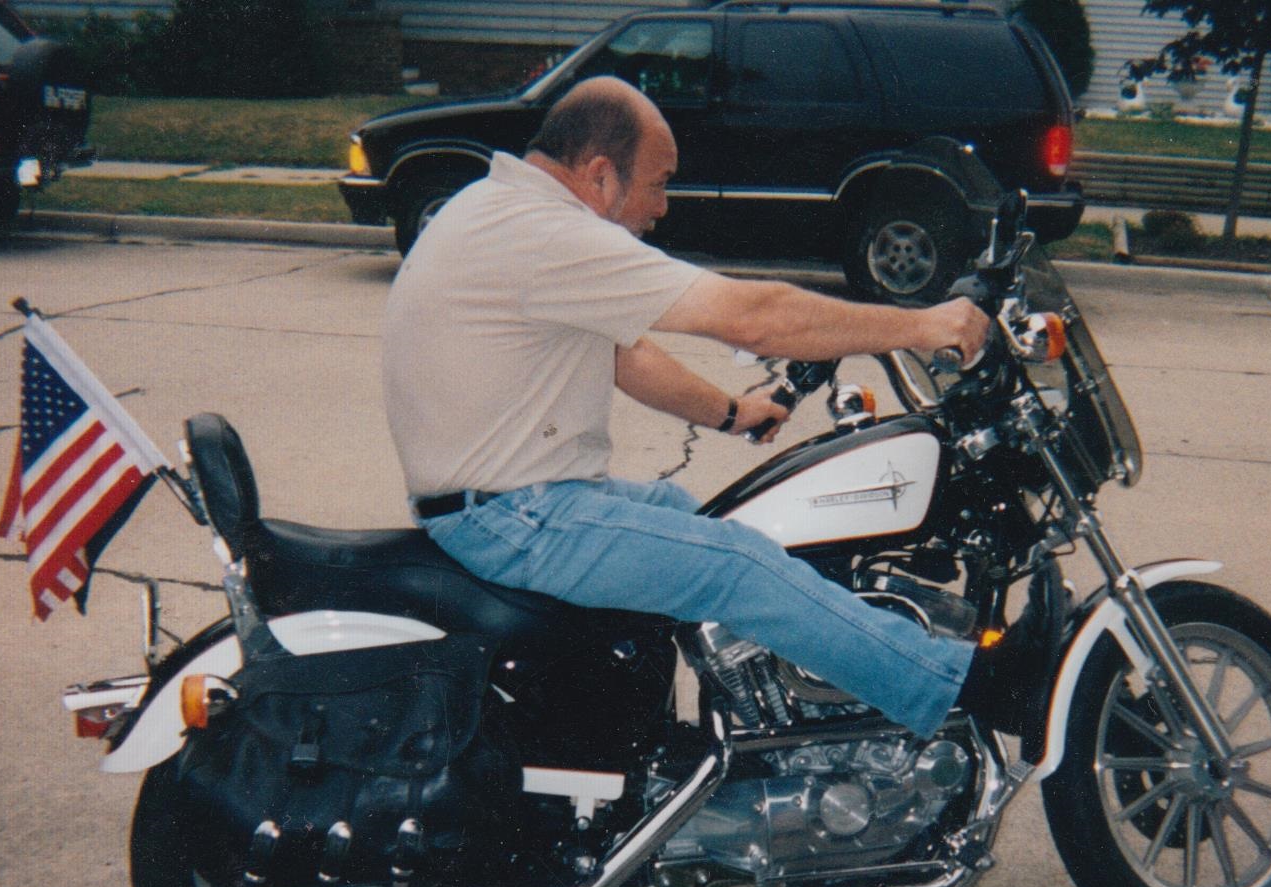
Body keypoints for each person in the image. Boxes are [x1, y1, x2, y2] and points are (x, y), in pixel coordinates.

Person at [383, 76, 991, 737]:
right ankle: (960, 685)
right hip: (515, 516)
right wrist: (922, 324)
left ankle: (780, 724)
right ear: (600, 175)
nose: (662, 206)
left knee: (716, 518)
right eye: (658, 182)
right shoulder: (542, 232)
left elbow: (626, 356)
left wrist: (733, 412)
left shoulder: (502, 209)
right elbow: (754, 317)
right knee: (734, 562)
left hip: (516, 501)